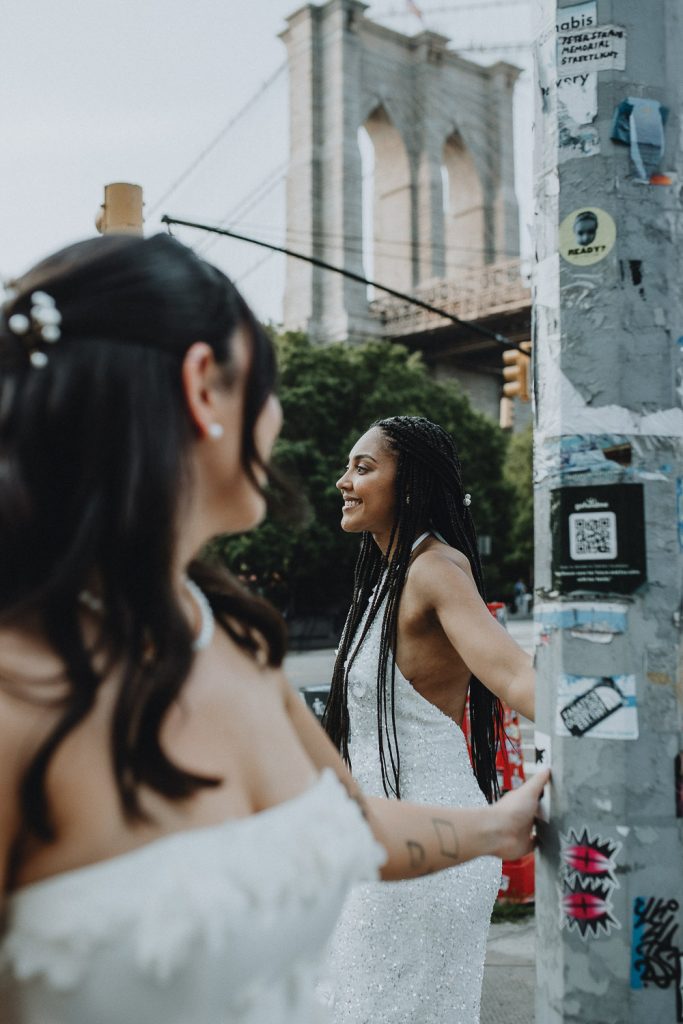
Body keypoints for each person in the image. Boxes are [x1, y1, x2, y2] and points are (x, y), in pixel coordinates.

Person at [0, 237, 547, 1024]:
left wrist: (496, 827)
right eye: (269, 387)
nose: (283, 421)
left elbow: (348, 828)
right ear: (202, 389)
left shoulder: (223, 639)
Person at [323, 415, 536, 1024]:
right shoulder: (385, 578)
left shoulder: (435, 568)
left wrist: (606, 720)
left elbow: (515, 675)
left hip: (429, 849)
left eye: (364, 468)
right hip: (382, 841)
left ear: (410, 486)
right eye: (348, 466)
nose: (344, 481)